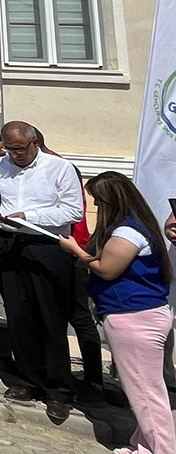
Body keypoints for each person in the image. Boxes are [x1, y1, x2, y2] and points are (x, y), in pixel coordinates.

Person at [60, 172, 175, 454]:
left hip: (134, 317)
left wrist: (75, 250)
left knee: (146, 394)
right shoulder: (136, 226)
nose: (96, 206)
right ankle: (144, 444)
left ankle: (162, 449)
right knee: (145, 391)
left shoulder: (127, 232)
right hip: (139, 314)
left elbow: (107, 269)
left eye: (99, 201)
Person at [0, 120, 83, 422]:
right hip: (9, 242)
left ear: (35, 143)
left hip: (46, 245)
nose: (15, 155)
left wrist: (28, 216)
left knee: (50, 318)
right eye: (9, 149)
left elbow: (73, 210)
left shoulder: (59, 168)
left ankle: (58, 390)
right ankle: (28, 380)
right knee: (18, 315)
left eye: (20, 149)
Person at [38, 128, 105, 400]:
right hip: (61, 248)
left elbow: (72, 213)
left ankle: (94, 380)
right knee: (57, 314)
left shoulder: (58, 167)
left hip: (73, 249)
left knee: (79, 316)